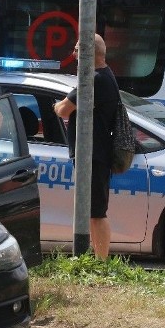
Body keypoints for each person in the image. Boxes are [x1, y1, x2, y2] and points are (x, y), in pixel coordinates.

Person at [53, 33, 119, 260]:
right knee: (92, 211)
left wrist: (57, 104)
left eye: (77, 50)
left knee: (97, 212)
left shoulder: (94, 80)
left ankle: (101, 262)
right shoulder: (103, 76)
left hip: (94, 154)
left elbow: (62, 110)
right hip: (93, 153)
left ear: (89, 53)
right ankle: (97, 259)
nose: (73, 55)